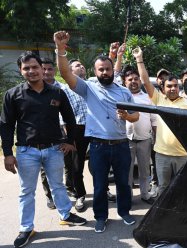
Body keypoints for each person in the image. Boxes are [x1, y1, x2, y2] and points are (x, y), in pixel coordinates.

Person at [54, 30, 140, 233]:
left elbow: (136, 115)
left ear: (112, 70)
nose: (104, 73)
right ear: (95, 71)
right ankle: (101, 217)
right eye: (100, 70)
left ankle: (124, 212)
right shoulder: (88, 88)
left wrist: (127, 117)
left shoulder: (124, 91)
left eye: (107, 69)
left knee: (123, 184)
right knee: (100, 185)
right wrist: (60, 49)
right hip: (98, 146)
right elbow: (66, 74)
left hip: (121, 145)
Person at [0, 51, 87, 248]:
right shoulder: (13, 95)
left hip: (54, 149)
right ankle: (26, 228)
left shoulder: (57, 93)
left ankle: (65, 214)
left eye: (35, 67)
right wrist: (7, 153)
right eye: (26, 68)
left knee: (58, 185)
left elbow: (70, 118)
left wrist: (70, 140)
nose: (32, 71)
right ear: (21, 71)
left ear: (42, 68)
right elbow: (5, 125)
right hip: (26, 151)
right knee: (26, 191)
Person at [132, 47, 187, 196]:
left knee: (182, 188)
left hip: (182, 155)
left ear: (179, 87)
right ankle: (162, 217)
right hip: (162, 155)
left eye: (175, 86)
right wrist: (139, 59)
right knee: (163, 188)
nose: (173, 88)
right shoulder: (159, 99)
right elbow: (146, 81)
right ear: (163, 88)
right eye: (169, 86)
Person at [40, 58, 89, 212]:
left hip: (67, 132)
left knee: (71, 164)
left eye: (49, 69)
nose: (46, 72)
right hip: (44, 136)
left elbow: (67, 114)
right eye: (44, 69)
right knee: (47, 167)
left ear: (54, 70)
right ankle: (50, 196)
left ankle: (73, 189)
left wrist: (70, 136)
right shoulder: (32, 89)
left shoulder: (63, 89)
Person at [68, 58, 117, 203]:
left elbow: (111, 71)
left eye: (82, 64)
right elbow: (63, 115)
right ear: (70, 71)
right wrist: (68, 136)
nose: (81, 66)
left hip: (96, 127)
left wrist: (114, 55)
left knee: (100, 164)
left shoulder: (94, 83)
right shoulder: (66, 89)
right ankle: (80, 195)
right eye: (77, 65)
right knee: (77, 165)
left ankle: (104, 190)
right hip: (78, 129)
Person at [120, 67, 157, 205]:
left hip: (145, 140)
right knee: (127, 171)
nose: (133, 81)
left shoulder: (148, 97)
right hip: (126, 140)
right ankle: (128, 196)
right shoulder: (121, 96)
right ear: (124, 82)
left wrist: (156, 137)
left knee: (144, 169)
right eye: (130, 79)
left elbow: (154, 119)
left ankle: (145, 194)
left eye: (136, 79)